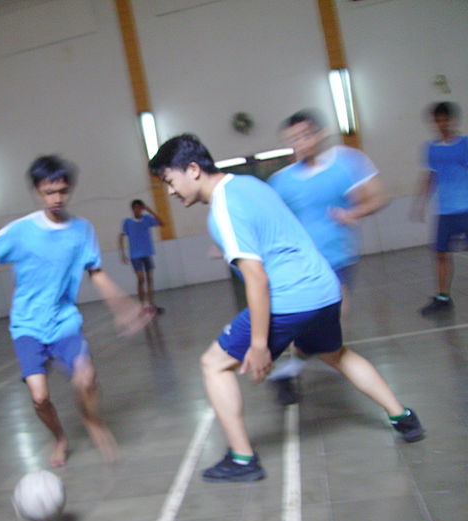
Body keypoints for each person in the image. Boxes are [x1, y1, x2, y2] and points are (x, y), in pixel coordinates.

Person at [148, 134, 425, 482]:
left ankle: (242, 459)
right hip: (324, 289)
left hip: (290, 297)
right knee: (336, 353)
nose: (171, 192)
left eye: (170, 182)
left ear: (192, 169)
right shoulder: (250, 184)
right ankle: (403, 417)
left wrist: (261, 345)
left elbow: (257, 280)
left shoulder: (222, 211)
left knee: (214, 365)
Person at [0, 155, 150, 467]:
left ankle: (92, 420)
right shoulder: (20, 231)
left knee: (87, 379)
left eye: (62, 191)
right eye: (49, 192)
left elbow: (97, 274)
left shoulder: (82, 231)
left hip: (64, 321)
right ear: (37, 192)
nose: (56, 199)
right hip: (27, 325)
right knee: (39, 397)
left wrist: (124, 305)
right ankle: (60, 438)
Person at [266, 110, 388, 401]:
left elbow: (378, 196)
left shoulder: (348, 161)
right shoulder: (280, 181)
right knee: (318, 323)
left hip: (340, 259)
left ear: (320, 134)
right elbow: (267, 219)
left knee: (330, 321)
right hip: (302, 265)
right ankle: (292, 369)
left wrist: (353, 212)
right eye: (293, 140)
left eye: (305, 135)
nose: (300, 143)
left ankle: (289, 370)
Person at [411, 101, 468, 315]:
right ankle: (443, 297)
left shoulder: (464, 144)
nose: (442, 124)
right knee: (440, 253)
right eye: (438, 120)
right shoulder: (431, 149)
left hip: (466, 208)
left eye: (446, 119)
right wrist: (420, 202)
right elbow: (430, 176)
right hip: (445, 211)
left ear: (453, 121)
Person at [119, 199, 165, 313]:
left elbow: (162, 223)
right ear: (132, 209)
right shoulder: (128, 222)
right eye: (136, 208)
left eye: (140, 208)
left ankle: (151, 305)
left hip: (147, 253)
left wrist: (150, 210)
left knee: (149, 279)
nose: (138, 210)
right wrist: (123, 254)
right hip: (135, 255)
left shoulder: (147, 219)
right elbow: (121, 236)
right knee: (141, 279)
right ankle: (141, 306)